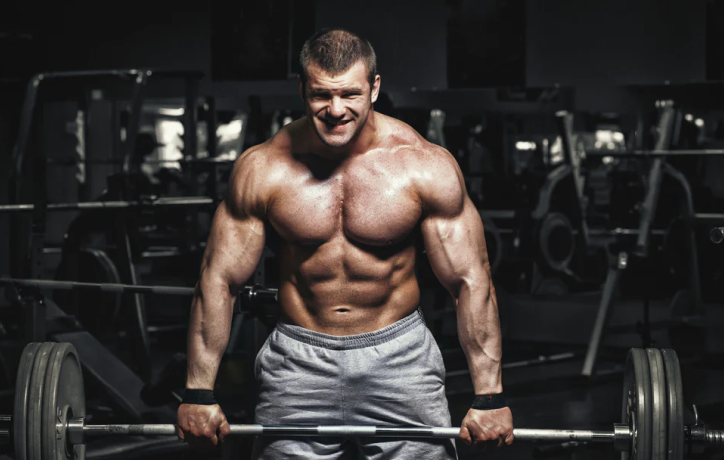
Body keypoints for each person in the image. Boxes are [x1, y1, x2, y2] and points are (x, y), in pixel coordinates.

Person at [177, 28, 513, 459]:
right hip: (299, 362)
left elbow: (470, 281)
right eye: (321, 95)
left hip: (400, 359)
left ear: (374, 87)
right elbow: (219, 279)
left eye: (350, 94)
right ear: (301, 88)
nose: (336, 110)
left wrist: (489, 396)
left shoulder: (423, 166)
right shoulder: (263, 169)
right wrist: (199, 392)